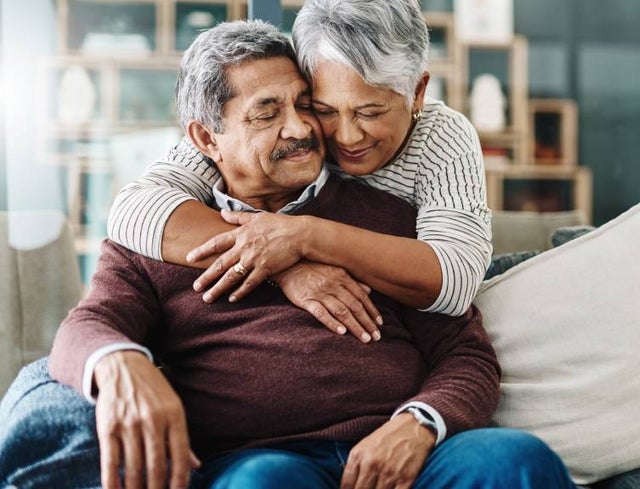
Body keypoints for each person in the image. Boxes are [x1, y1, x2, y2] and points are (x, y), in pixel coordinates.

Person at [2, 20, 576, 489]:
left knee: (515, 461)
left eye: (306, 105)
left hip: (405, 455)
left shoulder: (386, 218)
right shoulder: (158, 234)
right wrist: (119, 363)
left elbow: (465, 353)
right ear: (205, 139)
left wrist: (420, 423)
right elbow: (87, 324)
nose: (303, 128)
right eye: (266, 112)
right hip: (262, 460)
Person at [108, 0, 491, 343]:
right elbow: (133, 210)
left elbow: (455, 281)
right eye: (323, 108)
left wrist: (304, 237)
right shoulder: (290, 131)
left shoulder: (441, 136)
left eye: (369, 112)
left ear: (418, 92)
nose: (346, 136)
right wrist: (288, 265)